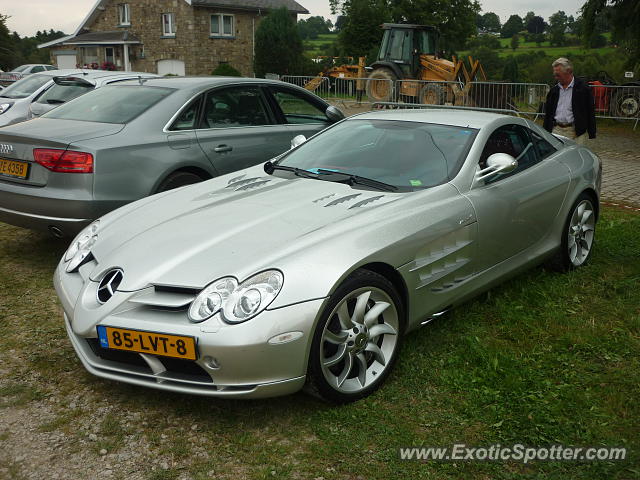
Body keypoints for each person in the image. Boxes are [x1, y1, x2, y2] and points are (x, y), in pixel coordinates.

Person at [543, 57, 596, 144]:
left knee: (575, 157)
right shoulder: (554, 91)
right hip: (556, 130)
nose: (556, 77)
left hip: (576, 131)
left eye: (558, 75)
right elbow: (548, 113)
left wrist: (592, 132)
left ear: (569, 72)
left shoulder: (583, 89)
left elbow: (590, 110)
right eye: (555, 75)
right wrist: (545, 132)